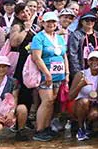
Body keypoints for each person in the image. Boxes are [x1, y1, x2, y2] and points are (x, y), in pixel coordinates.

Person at [29, 11, 69, 142]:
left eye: (53, 22)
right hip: (45, 75)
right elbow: (36, 57)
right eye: (48, 22)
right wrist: (47, 73)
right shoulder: (38, 38)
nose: (51, 24)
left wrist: (67, 74)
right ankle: (39, 129)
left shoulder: (60, 38)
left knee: (51, 101)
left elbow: (64, 56)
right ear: (43, 23)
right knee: (46, 101)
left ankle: (46, 127)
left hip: (59, 75)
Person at [68, 51, 98, 141]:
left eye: (97, 60)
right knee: (84, 101)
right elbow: (70, 97)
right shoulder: (81, 74)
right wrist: (80, 86)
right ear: (87, 62)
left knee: (94, 114)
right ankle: (81, 128)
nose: (94, 62)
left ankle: (88, 125)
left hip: (95, 104)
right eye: (91, 60)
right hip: (80, 104)